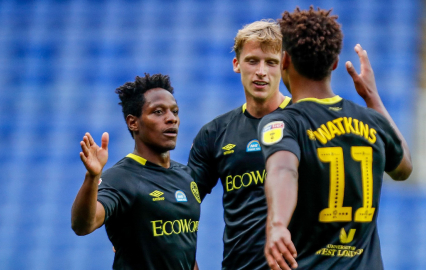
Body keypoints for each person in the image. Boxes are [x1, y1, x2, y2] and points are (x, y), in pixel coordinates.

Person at [259, 7, 413, 270]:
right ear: (334, 63)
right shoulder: (372, 121)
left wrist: (276, 225)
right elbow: (404, 168)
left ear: (284, 60)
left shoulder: (284, 122)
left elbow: (283, 169)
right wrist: (373, 98)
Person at [71, 73, 201, 270]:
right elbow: (83, 225)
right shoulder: (121, 178)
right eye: (158, 112)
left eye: (174, 112)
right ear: (133, 122)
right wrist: (92, 177)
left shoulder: (186, 176)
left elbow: (184, 253)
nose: (171, 119)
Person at [188, 20, 289, 270]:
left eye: (271, 62)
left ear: (284, 65)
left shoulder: (308, 122)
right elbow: (181, 204)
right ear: (237, 64)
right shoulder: (215, 133)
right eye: (253, 61)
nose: (261, 71)